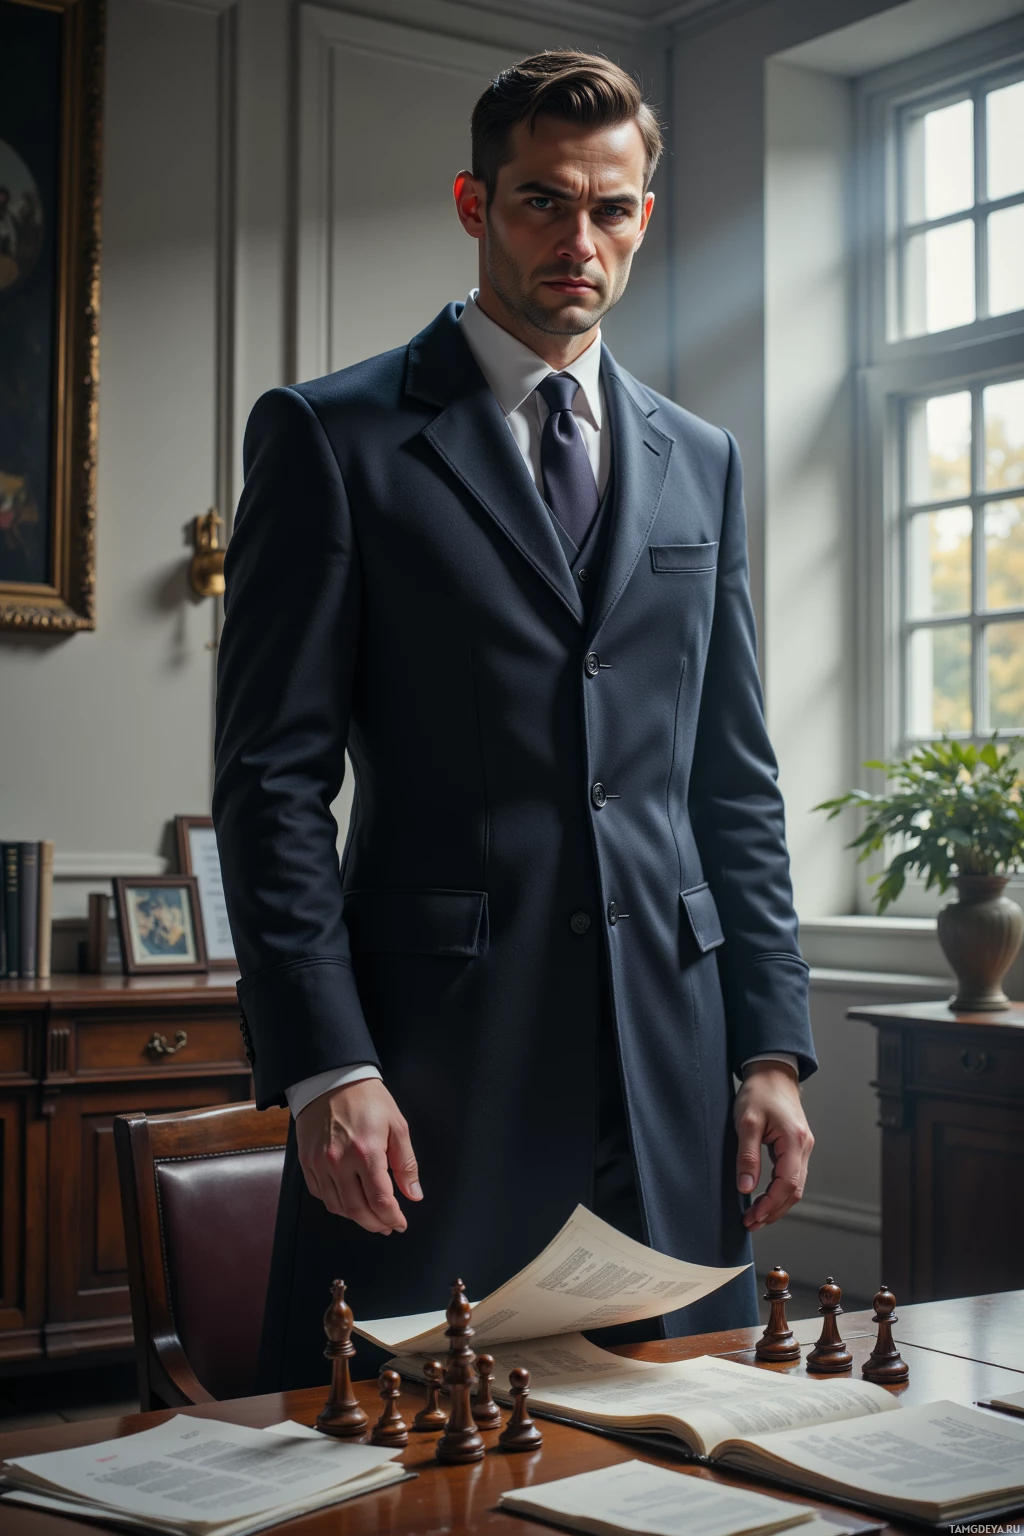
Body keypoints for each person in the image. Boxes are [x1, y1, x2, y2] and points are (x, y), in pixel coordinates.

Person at [213, 51, 816, 1391]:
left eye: (610, 210)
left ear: (645, 217)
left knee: (669, 1457)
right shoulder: (332, 437)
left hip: (669, 1070)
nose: (578, 240)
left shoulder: (700, 462)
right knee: (398, 1454)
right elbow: (271, 786)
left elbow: (733, 781)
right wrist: (327, 1068)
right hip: (433, 1071)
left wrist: (769, 1045)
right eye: (543, 202)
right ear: (474, 204)